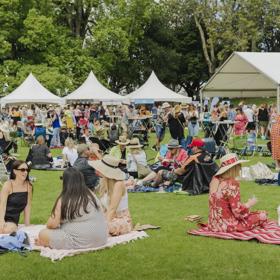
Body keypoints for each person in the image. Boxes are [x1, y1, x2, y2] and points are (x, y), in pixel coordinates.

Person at [36, 168, 108, 249]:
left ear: (65, 181)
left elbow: (52, 224)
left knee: (43, 234)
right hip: (102, 238)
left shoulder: (64, 198)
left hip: (80, 240)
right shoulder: (90, 194)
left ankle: (46, 243)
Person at [208, 153, 267, 232]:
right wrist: (249, 204)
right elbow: (237, 212)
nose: (240, 169)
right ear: (234, 168)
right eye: (239, 166)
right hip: (227, 226)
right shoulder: (232, 183)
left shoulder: (214, 179)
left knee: (254, 215)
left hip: (213, 224)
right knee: (262, 215)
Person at [89, 155, 133, 236]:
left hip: (121, 219)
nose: (97, 170)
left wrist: (104, 225)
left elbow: (112, 209)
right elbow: (102, 207)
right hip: (108, 216)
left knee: (100, 228)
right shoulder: (104, 182)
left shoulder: (118, 184)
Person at [0, 160, 32, 233]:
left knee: (7, 230)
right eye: (22, 170)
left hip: (12, 219)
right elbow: (2, 205)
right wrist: (1, 222)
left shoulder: (28, 186)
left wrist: (27, 225)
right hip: (1, 215)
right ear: (15, 171)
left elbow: (28, 206)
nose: (25, 172)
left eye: (27, 170)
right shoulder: (8, 185)